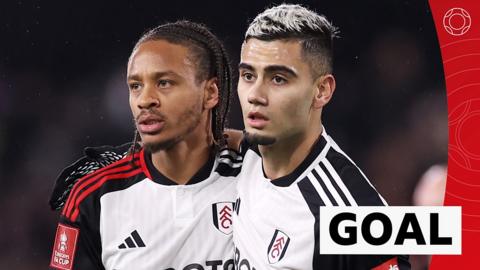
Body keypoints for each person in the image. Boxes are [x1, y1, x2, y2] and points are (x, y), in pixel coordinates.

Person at [49, 21, 242, 270]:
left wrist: (246, 141)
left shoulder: (255, 176)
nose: (145, 100)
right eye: (135, 86)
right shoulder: (96, 196)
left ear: (210, 93)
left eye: (164, 83)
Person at [232, 4, 410, 269]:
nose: (254, 95)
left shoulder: (350, 215)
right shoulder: (234, 157)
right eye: (248, 75)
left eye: (278, 79)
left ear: (322, 91)